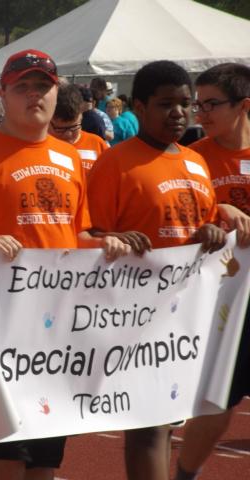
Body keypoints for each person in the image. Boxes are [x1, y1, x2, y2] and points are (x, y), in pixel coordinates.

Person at [0, 49, 129, 480]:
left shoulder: (70, 159)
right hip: (0, 329)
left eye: (43, 86)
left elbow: (74, 233)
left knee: (44, 459)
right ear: (3, 94)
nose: (34, 95)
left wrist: (103, 244)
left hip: (59, 330)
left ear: (57, 92)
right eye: (23, 87)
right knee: (7, 455)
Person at [86, 60, 227, 480]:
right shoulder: (116, 164)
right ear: (140, 107)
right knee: (147, 425)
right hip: (133, 313)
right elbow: (91, 234)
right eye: (166, 104)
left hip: (187, 315)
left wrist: (211, 232)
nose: (178, 114)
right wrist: (113, 239)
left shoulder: (196, 163)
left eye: (186, 104)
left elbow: (202, 224)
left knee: (168, 421)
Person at [173, 62, 250, 480]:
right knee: (217, 401)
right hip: (216, 303)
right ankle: (186, 474)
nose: (199, 115)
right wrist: (219, 209)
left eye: (211, 105)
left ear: (244, 106)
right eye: (197, 105)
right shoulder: (192, 158)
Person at [49, 84, 109, 171]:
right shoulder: (40, 148)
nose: (68, 134)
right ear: (49, 121)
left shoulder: (97, 145)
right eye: (60, 129)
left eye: (74, 127)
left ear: (81, 117)